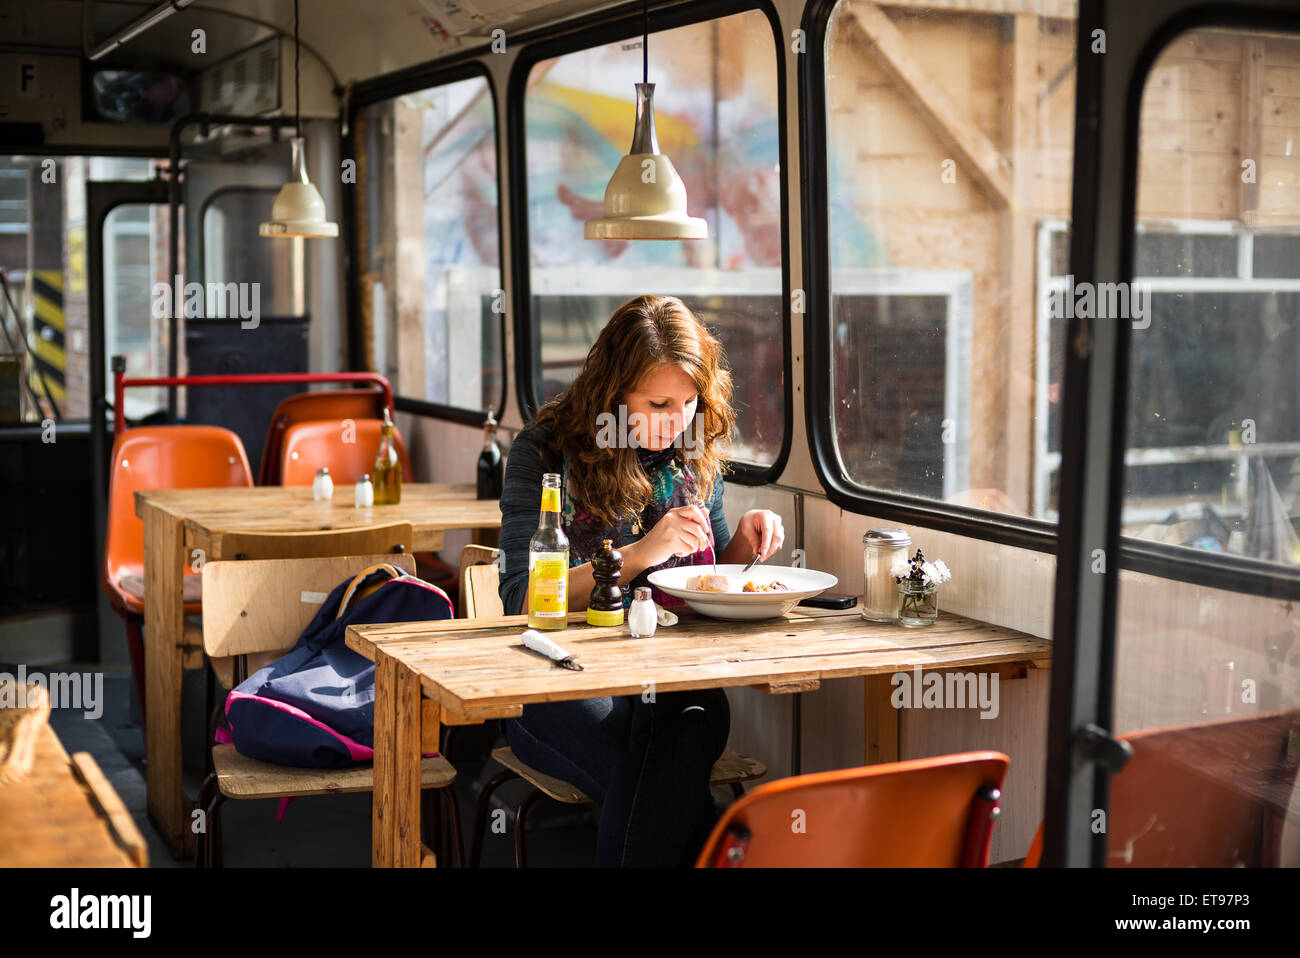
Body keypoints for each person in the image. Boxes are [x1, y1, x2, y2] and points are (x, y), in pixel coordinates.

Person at [497, 293, 785, 867]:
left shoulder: (693, 450)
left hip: (671, 682)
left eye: (687, 402)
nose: (675, 421)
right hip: (558, 680)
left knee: (691, 721)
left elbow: (708, 575)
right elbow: (519, 599)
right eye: (657, 403)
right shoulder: (546, 452)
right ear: (612, 391)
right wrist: (636, 556)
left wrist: (743, 545)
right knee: (661, 781)